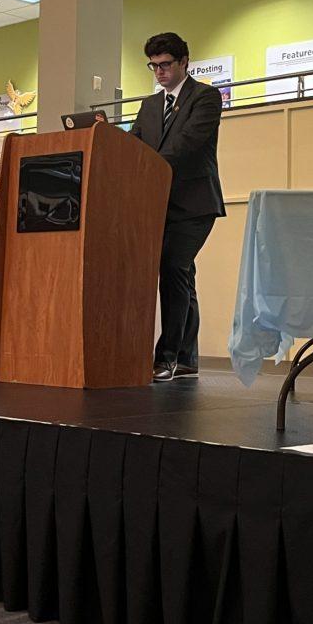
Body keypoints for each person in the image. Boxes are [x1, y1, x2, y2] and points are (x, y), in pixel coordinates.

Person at [130, 32, 226, 382]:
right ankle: (187, 357)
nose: (159, 72)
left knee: (172, 268)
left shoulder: (206, 97)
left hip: (195, 204)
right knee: (182, 274)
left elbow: (188, 144)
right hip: (159, 204)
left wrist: (149, 165)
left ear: (185, 62)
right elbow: (136, 146)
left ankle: (166, 356)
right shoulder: (150, 106)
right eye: (153, 66)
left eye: (165, 64)